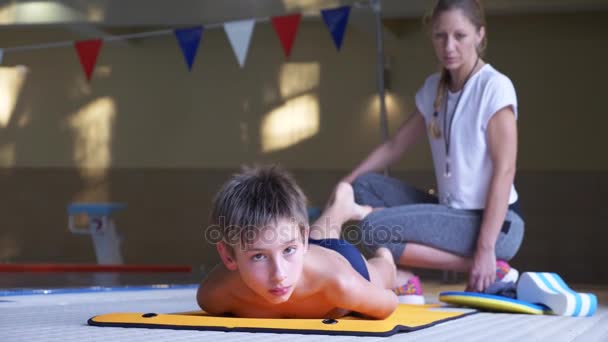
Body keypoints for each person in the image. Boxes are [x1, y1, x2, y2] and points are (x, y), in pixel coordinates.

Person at [342, 0, 524, 293]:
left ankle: (484, 265)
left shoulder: (494, 87)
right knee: (363, 187)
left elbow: (505, 170)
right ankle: (404, 275)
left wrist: (485, 249)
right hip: (451, 213)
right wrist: (344, 184)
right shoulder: (433, 88)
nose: (449, 46)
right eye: (440, 35)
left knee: (373, 229)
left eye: (459, 36)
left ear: (479, 34)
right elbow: (394, 146)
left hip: (498, 224)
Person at [197, 166, 421, 319]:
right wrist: (290, 249)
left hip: (342, 264)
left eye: (288, 250)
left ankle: (385, 258)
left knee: (382, 274)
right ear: (228, 257)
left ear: (302, 241)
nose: (279, 274)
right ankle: (339, 207)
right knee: (293, 238)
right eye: (258, 256)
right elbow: (289, 243)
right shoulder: (215, 296)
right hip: (308, 253)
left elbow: (388, 304)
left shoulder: (342, 284)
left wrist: (381, 271)